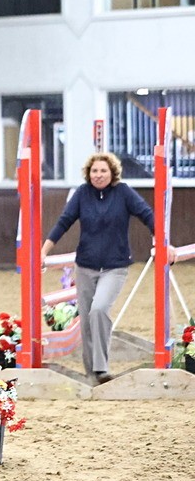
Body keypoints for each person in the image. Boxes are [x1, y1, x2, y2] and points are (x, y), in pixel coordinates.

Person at [41, 151, 178, 383]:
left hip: (115, 267)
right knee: (85, 321)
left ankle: (102, 368)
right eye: (94, 171)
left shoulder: (123, 192)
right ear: (88, 173)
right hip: (85, 266)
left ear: (112, 172)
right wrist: (43, 251)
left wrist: (164, 241)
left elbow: (147, 215)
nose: (98, 175)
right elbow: (64, 221)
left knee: (99, 310)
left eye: (103, 170)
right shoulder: (82, 194)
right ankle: (91, 375)